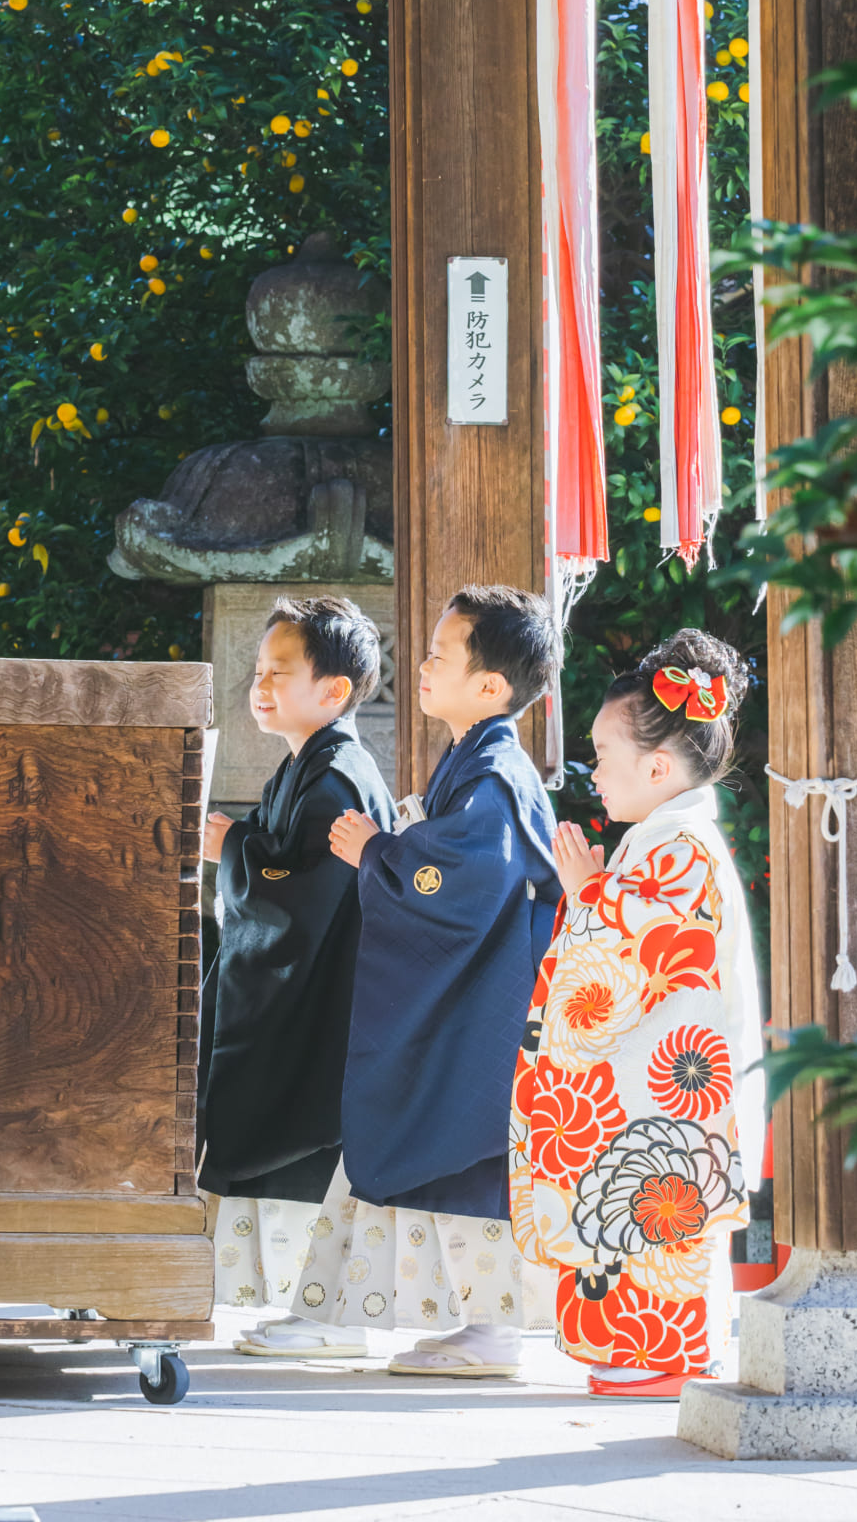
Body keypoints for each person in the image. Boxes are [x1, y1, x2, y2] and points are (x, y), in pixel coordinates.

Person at [236, 584, 561, 1376]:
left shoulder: (494, 776)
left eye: (440, 655)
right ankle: (340, 1311)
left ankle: (489, 1332)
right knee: (401, 1146)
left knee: (461, 1156)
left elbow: (460, 881)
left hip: (474, 1006)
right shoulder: (474, 764)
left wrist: (382, 851)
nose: (421, 664)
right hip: (456, 996)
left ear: (490, 687)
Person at [511, 628, 764, 1399]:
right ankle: (658, 1352)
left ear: (658, 767)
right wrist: (598, 892)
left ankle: (671, 1355)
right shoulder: (669, 837)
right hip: (667, 1083)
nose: (592, 771)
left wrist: (590, 894)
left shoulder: (679, 843)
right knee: (645, 1213)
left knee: (658, 1210)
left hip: (672, 1087)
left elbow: (643, 955)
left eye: (601, 754)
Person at [201, 594, 396, 1314]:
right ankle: (280, 1298)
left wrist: (235, 850)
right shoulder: (306, 767)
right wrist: (244, 850)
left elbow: (304, 893)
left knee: (292, 1129)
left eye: (279, 671)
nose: (260, 684)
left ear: (334, 690)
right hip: (304, 987)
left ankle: (313, 1305)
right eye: (258, 669)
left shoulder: (336, 774)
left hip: (322, 993)